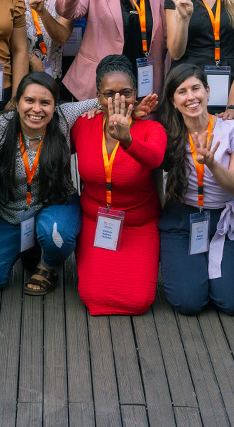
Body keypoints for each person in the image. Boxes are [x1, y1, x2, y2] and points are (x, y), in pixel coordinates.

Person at [0, 73, 91, 294]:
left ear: (55, 105)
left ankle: (47, 265)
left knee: (57, 236)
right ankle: (30, 248)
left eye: (45, 102)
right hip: (9, 213)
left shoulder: (64, 116)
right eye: (29, 101)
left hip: (55, 203)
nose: (37, 109)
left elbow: (105, 99)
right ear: (16, 103)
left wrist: (100, 109)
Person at [71, 55, 168, 316]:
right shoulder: (82, 125)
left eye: (126, 93)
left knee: (139, 300)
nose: (117, 100)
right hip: (96, 221)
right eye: (108, 94)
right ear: (98, 96)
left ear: (136, 93)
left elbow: (155, 158)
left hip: (140, 224)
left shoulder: (152, 128)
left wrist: (128, 140)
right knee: (91, 296)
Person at [156, 65, 234, 316]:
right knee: (189, 304)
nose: (191, 97)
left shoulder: (233, 130)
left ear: (208, 92)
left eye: (196, 88)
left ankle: (215, 276)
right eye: (182, 91)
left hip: (221, 219)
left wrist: (211, 163)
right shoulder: (168, 134)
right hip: (181, 219)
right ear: (173, 101)